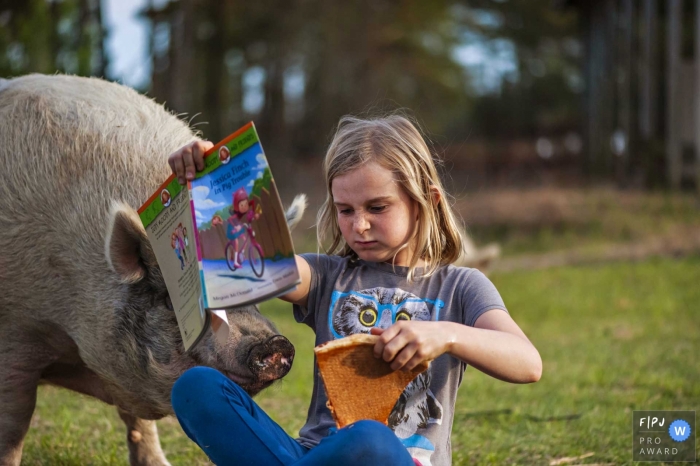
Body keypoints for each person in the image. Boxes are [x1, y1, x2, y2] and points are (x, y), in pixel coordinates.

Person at [167, 115, 542, 466]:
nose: (359, 225)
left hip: (395, 457)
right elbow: (256, 257)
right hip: (315, 454)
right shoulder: (327, 276)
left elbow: (528, 362)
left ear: (425, 201)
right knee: (196, 386)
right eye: (345, 210)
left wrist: (447, 334)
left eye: (377, 207)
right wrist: (211, 178)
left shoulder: (461, 286)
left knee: (368, 439)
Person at [225, 187, 260, 269]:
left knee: (245, 239)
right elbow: (230, 219)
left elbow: (252, 202)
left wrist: (255, 213)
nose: (244, 207)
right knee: (236, 242)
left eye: (246, 204)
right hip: (232, 228)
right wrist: (236, 227)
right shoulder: (236, 214)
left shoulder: (248, 204)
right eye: (241, 205)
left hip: (239, 227)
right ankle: (235, 262)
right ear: (237, 206)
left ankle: (241, 254)